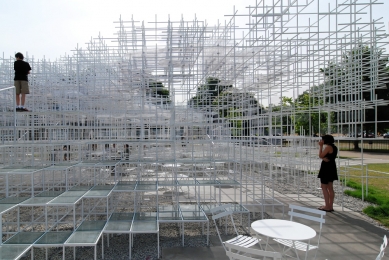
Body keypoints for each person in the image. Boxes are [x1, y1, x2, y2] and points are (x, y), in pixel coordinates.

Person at [317, 134, 338, 212]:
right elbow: (326, 156)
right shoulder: (334, 147)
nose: (321, 141)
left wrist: (321, 146)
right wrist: (323, 157)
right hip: (332, 167)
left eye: (322, 140)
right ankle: (330, 205)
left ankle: (327, 206)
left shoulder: (328, 147)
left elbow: (320, 155)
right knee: (330, 187)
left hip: (326, 168)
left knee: (324, 186)